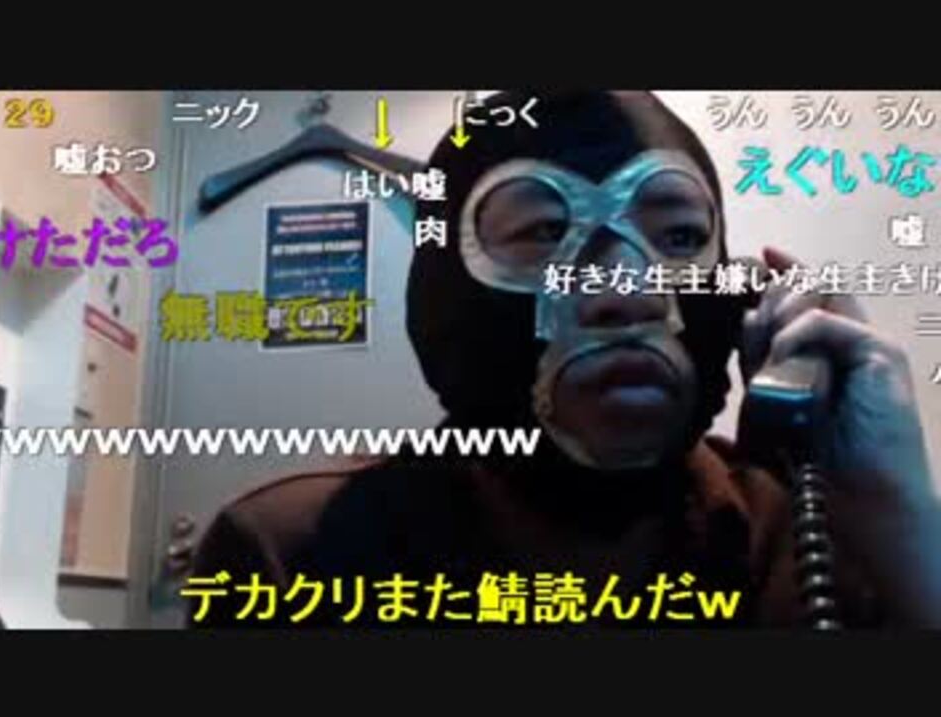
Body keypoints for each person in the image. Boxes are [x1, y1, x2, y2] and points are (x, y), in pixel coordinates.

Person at [187, 91, 941, 629]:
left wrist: (898, 519)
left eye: (680, 238)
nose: (626, 293)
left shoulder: (812, 534)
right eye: (544, 233)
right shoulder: (289, 557)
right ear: (444, 291)